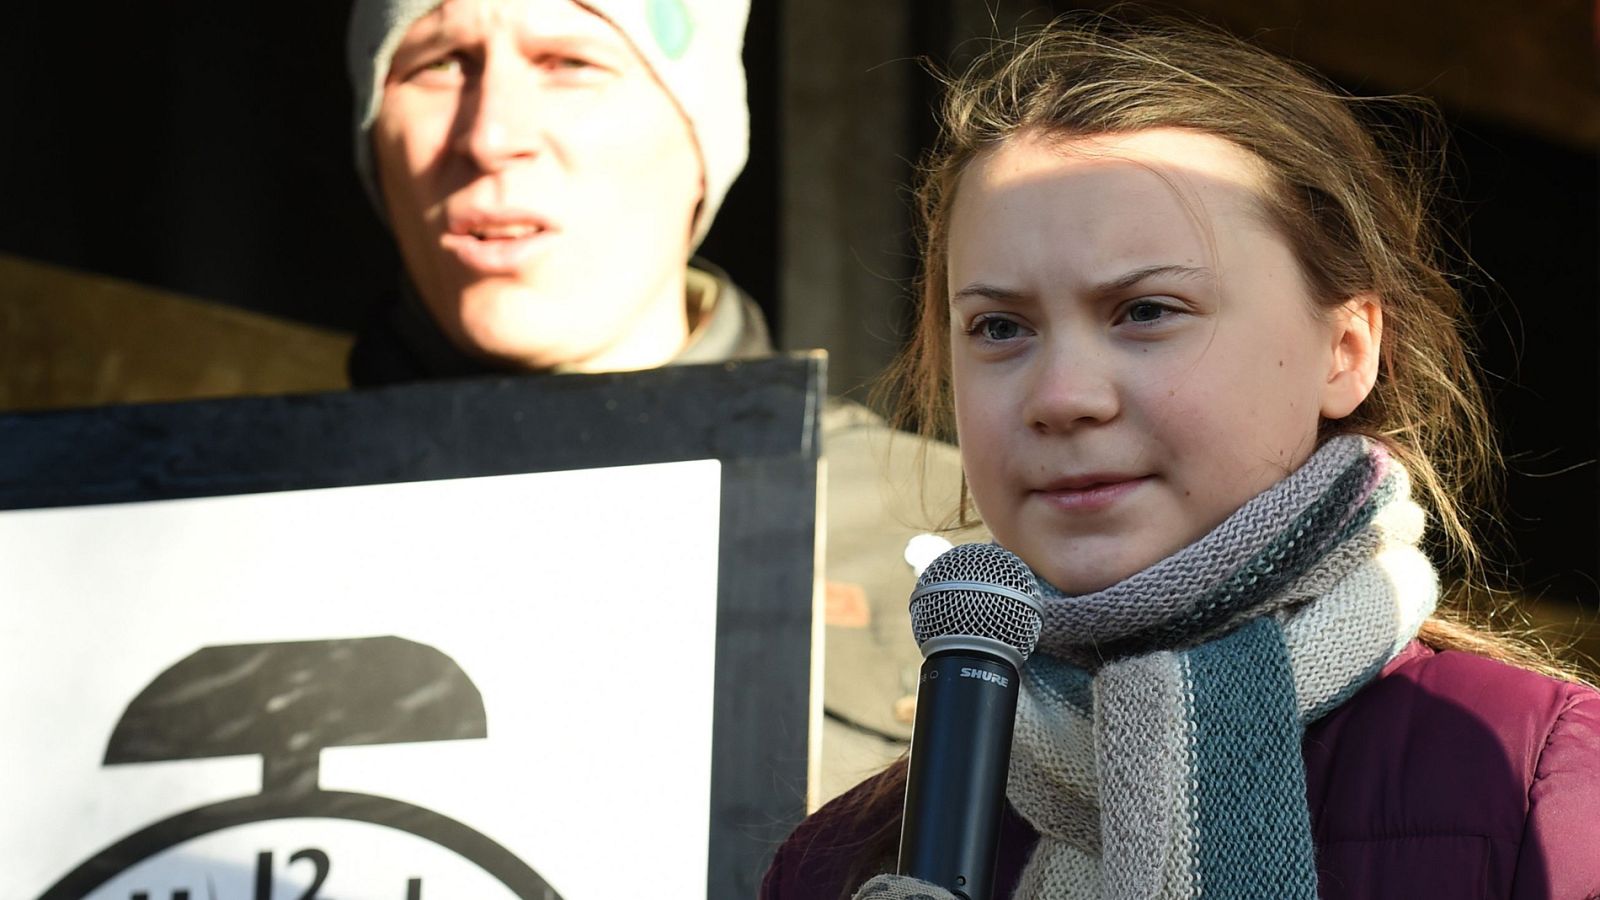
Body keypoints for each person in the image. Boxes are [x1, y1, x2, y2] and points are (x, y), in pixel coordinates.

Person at [762, 15, 1600, 900]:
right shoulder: (839, 861)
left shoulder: (1544, 785)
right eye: (1000, 328)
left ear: (1347, 349)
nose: (1062, 397)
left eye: (1147, 310)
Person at [342, 0, 980, 805]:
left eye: (570, 63)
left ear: (700, 133)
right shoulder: (225, 539)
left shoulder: (952, 528)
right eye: (437, 63)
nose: (489, 134)